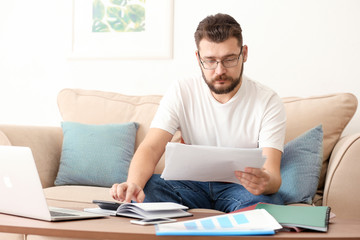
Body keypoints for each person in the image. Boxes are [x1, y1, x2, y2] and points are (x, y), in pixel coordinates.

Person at [110, 13, 286, 212]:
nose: (219, 70)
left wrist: (265, 182)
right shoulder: (181, 91)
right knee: (145, 190)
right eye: (210, 61)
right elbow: (150, 148)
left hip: (241, 189)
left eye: (229, 59)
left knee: (271, 205)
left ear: (244, 54)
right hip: (188, 186)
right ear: (197, 58)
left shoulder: (268, 100)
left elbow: (273, 174)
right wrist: (133, 183)